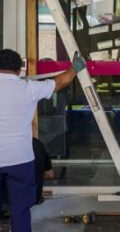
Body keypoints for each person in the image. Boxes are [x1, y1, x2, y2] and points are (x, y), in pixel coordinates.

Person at [0, 49, 85, 232]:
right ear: (19, 69)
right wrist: (75, 68)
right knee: (20, 211)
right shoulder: (28, 88)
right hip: (20, 160)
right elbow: (60, 81)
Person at [32, 137, 54, 204]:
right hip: (34, 198)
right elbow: (50, 175)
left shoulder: (5, 145)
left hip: (7, 202)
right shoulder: (38, 144)